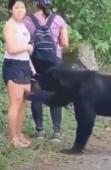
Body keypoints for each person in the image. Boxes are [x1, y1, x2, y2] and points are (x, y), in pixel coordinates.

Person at [24, 0, 69, 141]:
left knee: (37, 93)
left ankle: (40, 131)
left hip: (35, 62)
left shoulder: (27, 20)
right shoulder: (58, 20)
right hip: (54, 63)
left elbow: (23, 41)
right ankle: (56, 132)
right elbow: (65, 43)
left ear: (36, 4)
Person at [2, 0, 34, 147]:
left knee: (23, 103)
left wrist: (29, 49)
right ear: (11, 10)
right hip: (13, 66)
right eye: (16, 7)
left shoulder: (23, 25)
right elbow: (11, 49)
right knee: (15, 103)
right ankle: (13, 138)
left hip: (25, 65)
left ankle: (19, 135)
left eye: (22, 7)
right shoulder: (10, 25)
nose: (20, 10)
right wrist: (27, 47)